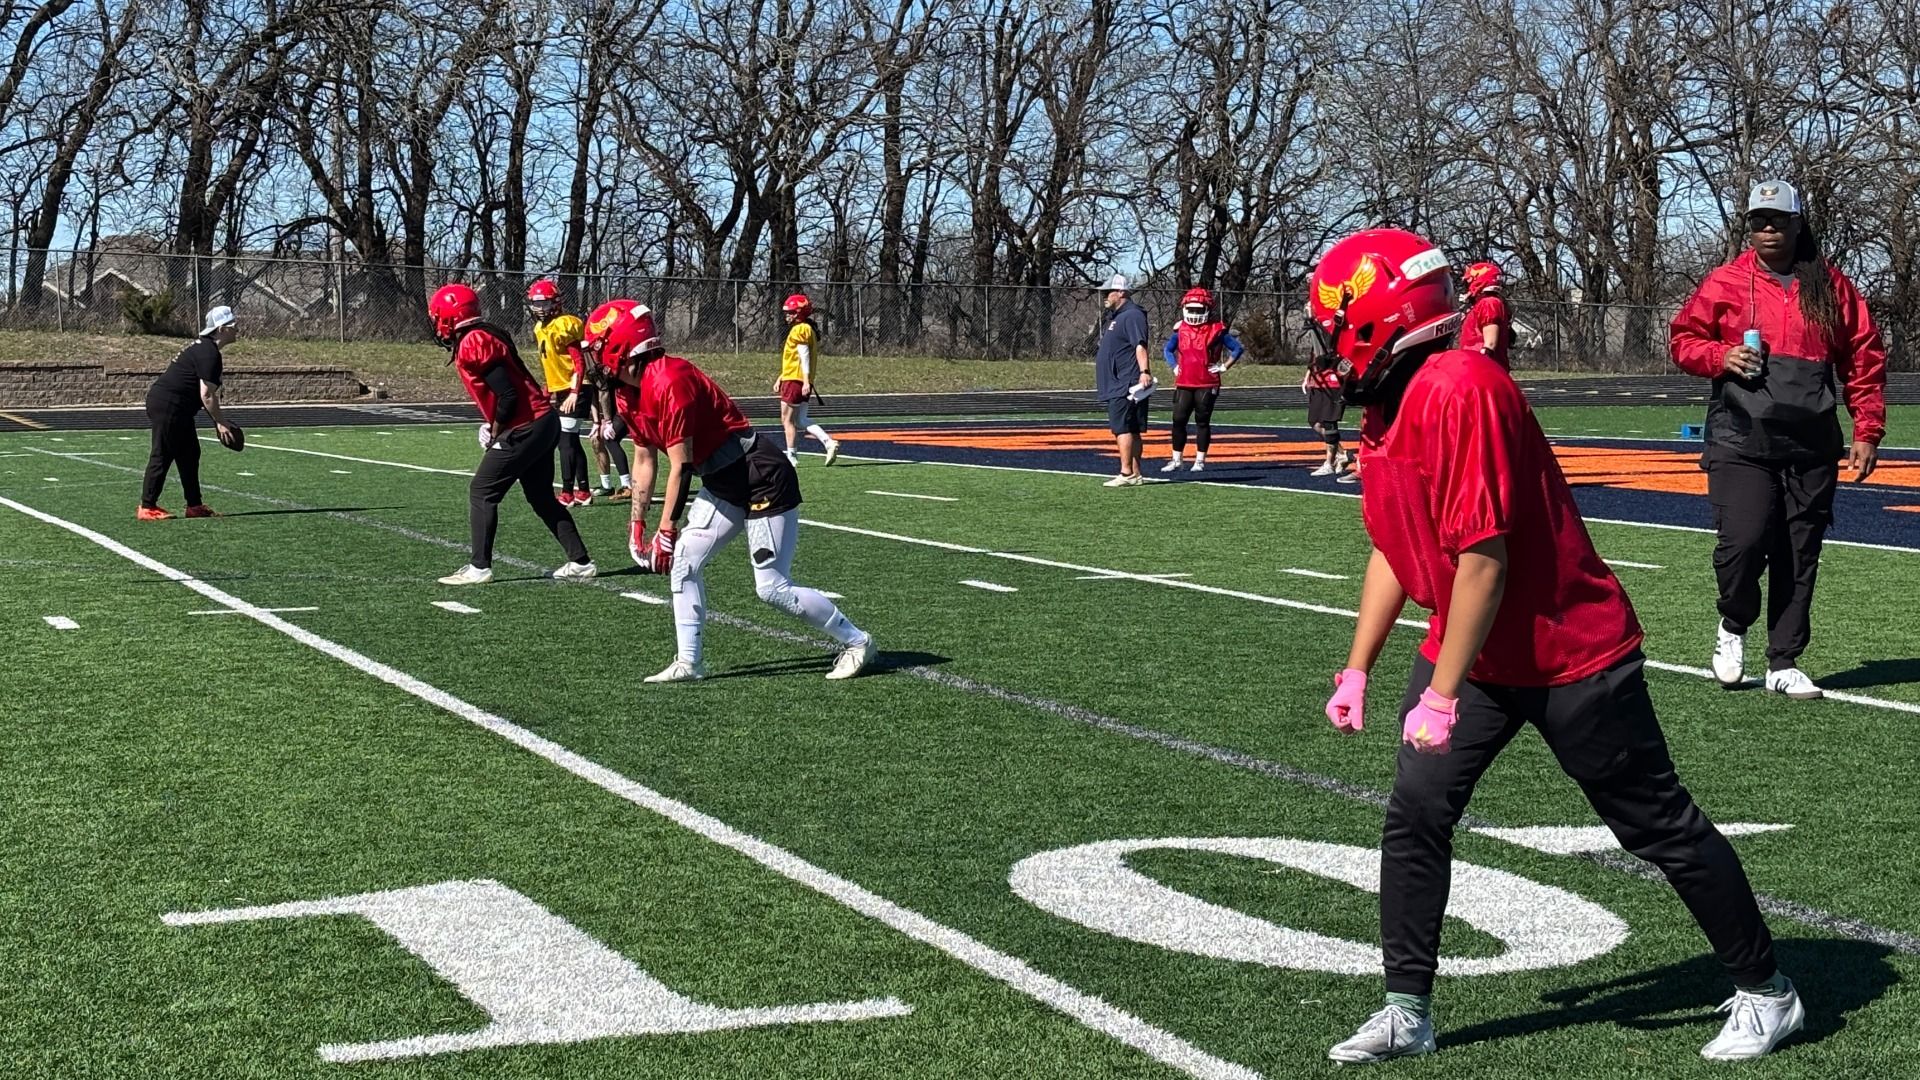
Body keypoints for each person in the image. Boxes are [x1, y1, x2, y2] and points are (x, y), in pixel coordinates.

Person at [1312, 228, 1797, 1065]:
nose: (1324, 346)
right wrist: (1358, 665)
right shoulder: (1393, 400)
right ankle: (1406, 1006)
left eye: (1332, 323)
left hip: (1570, 649)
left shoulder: (1460, 386)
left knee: (1656, 824)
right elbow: (1398, 543)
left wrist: (1438, 694)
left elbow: (1483, 563)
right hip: (1477, 651)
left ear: (1376, 316)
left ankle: (1767, 989)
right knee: (1417, 811)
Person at [581, 298, 876, 683]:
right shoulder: (627, 391)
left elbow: (681, 465)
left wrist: (666, 529)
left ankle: (857, 641)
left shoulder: (669, 380)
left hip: (759, 475)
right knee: (685, 564)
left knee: (771, 587)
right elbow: (643, 459)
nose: (594, 363)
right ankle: (689, 662)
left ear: (621, 347)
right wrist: (636, 523)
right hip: (724, 480)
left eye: (599, 351)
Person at [1670, 179, 1886, 700]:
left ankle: (1784, 660)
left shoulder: (1831, 285)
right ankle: (1732, 624)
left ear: (1797, 224)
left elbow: (1863, 357)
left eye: (1778, 220)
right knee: (1742, 543)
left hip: (1812, 440)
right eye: (1758, 221)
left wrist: (1868, 428)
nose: (1767, 229)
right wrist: (1720, 357)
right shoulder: (1725, 282)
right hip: (1741, 434)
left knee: (1799, 551)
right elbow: (1683, 339)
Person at [427, 282, 596, 586]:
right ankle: (580, 561)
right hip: (540, 421)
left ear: (448, 317)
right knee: (541, 496)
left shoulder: (474, 341)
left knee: (482, 491)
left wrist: (495, 429)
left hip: (526, 424)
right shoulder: (483, 333)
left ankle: (479, 567)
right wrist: (492, 422)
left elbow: (507, 396)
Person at [138, 306, 241, 520]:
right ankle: (147, 507)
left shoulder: (206, 349)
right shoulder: (209, 353)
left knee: (189, 453)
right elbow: (207, 394)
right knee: (163, 453)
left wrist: (218, 420)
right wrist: (221, 422)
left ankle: (194, 505)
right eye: (233, 325)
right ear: (221, 329)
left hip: (176, 406)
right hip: (168, 405)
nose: (237, 329)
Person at [1158, 287, 1243, 473]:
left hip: (1207, 382)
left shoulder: (1216, 330)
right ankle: (1176, 459)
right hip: (1184, 381)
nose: (1195, 313)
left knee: (1202, 421)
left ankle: (1200, 460)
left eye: (1199, 309)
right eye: (1192, 309)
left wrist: (1223, 366)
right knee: (1178, 419)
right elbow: (1168, 349)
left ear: (1207, 309)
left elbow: (1237, 349)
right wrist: (1174, 366)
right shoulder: (1180, 329)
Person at [525, 278, 594, 506]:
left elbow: (579, 363)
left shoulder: (565, 324)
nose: (540, 308)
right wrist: (548, 390)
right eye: (536, 304)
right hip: (563, 388)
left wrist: (574, 392)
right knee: (571, 441)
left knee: (565, 441)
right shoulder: (540, 328)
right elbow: (552, 365)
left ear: (555, 302)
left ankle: (567, 493)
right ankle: (583, 491)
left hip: (576, 387)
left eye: (544, 303)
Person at [1095, 274, 1153, 486]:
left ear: (1121, 292)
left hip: (1125, 382)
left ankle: (1127, 472)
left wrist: (1144, 371)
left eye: (1107, 292)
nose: (1104, 296)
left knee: (1123, 428)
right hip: (1120, 382)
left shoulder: (1132, 315)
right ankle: (1135, 473)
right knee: (1132, 428)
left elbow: (1140, 345)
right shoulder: (1118, 317)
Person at [775, 292, 841, 466]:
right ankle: (828, 442)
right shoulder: (805, 329)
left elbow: (803, 356)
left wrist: (804, 381)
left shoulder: (800, 329)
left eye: (790, 312)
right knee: (801, 420)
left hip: (796, 380)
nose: (787, 315)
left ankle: (792, 457)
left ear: (799, 312)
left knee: (787, 420)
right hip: (797, 378)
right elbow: (795, 359)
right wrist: (781, 377)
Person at [1458, 262, 1512, 369]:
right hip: (1474, 365)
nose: (1467, 287)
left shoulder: (1489, 303)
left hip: (1481, 368)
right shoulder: (1485, 303)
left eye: (1468, 282)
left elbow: (1490, 344)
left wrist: (1482, 367)